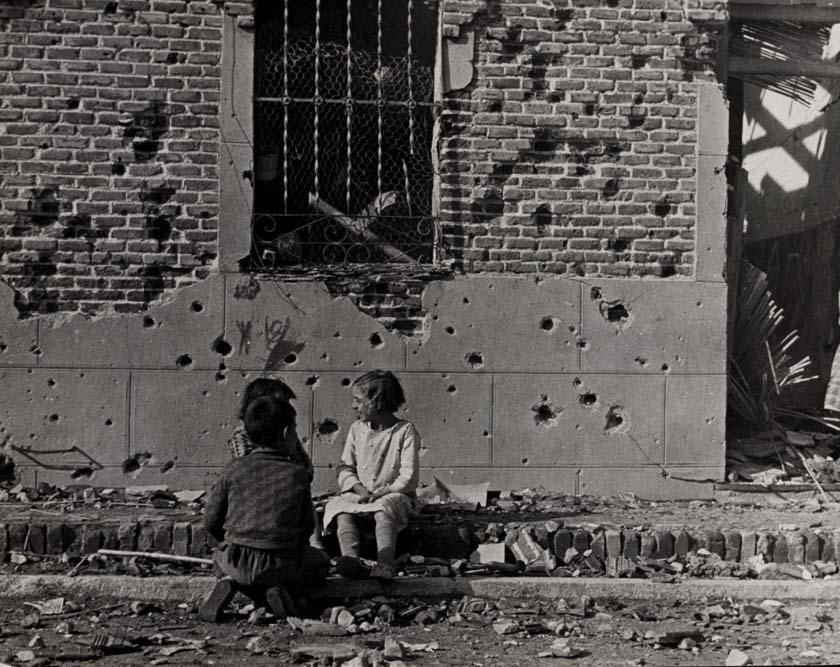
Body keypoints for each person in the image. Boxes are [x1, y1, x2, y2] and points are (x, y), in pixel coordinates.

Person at [199, 395, 328, 623]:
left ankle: (229, 581)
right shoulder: (297, 474)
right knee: (320, 562)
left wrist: (223, 542)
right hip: (282, 563)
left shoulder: (234, 468)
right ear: (287, 433)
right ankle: (276, 592)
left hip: (235, 559)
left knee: (218, 556)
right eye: (296, 431)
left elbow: (210, 520)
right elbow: (307, 527)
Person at [323, 370, 420, 580]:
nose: (353, 406)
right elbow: (345, 467)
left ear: (377, 402)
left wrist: (383, 492)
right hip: (362, 493)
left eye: (358, 400)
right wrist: (359, 488)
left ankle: (385, 563)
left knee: (384, 508)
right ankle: (351, 558)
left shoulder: (404, 431)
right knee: (339, 507)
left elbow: (408, 476)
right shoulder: (357, 429)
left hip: (394, 495)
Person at [229, 377, 324, 550]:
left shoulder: (287, 436)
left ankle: (315, 544)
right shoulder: (242, 435)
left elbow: (306, 468)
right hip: (255, 496)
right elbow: (245, 469)